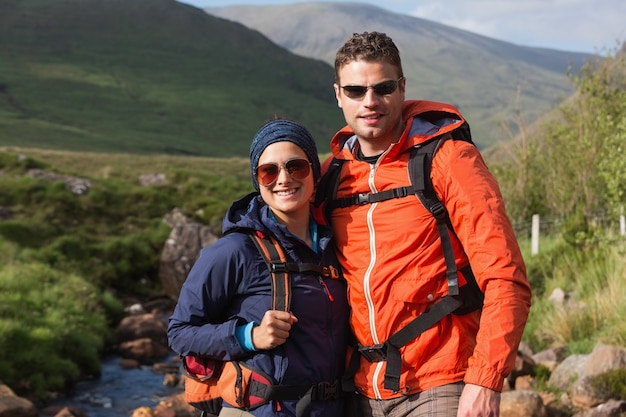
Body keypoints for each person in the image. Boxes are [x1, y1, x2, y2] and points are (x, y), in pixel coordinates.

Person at [318, 31, 532, 417]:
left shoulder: (449, 161)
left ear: (402, 88)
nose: (369, 101)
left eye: (382, 88)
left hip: (439, 381)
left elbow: (505, 278)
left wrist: (485, 382)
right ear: (337, 94)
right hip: (356, 387)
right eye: (354, 91)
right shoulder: (329, 176)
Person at [167, 119, 350, 417]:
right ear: (258, 180)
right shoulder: (234, 250)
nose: (284, 178)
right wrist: (247, 336)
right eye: (269, 171)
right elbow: (179, 333)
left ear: (314, 173)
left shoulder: (334, 247)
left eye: (296, 167)